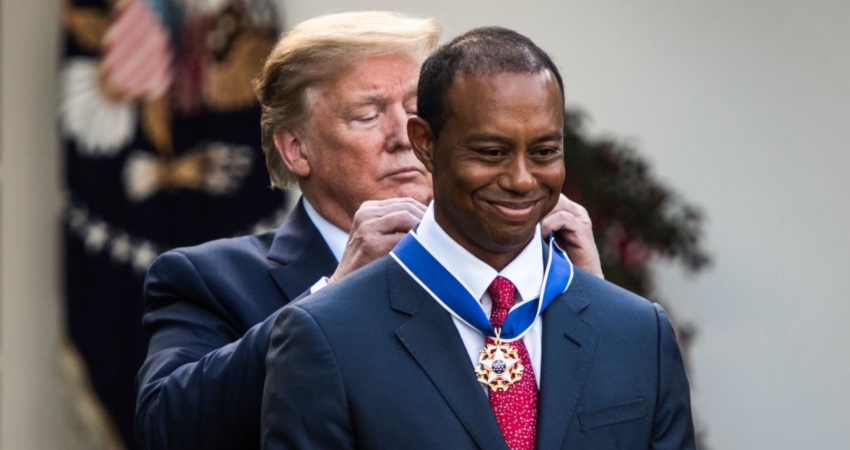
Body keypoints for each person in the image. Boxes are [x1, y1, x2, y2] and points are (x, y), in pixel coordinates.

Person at [135, 12, 603, 450]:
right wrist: (333, 293)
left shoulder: (535, 266)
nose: (405, 135)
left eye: (418, 112)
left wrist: (596, 308)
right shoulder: (210, 278)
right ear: (296, 149)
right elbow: (164, 427)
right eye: (368, 114)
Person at [261, 26, 695, 450]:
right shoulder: (327, 334)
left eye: (544, 152)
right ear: (424, 144)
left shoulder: (639, 332)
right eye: (492, 153)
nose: (523, 180)